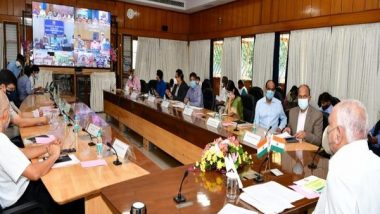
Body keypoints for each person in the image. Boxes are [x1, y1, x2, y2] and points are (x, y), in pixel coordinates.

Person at [314, 100, 380, 213]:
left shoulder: (341, 171)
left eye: (330, 126)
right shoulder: (376, 162)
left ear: (338, 134)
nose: (328, 131)